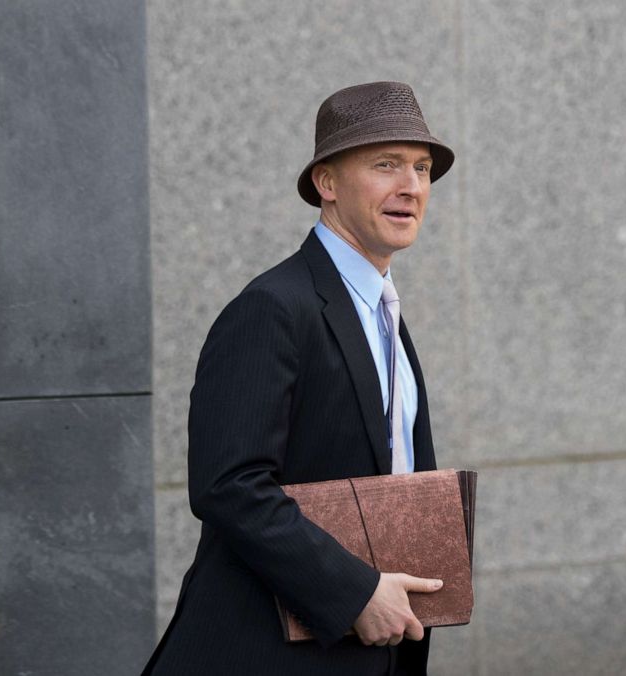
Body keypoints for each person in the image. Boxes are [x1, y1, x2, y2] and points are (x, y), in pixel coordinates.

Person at [143, 81, 455, 676]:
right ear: (327, 183)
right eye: (385, 164)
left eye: (421, 168)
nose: (411, 186)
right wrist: (355, 592)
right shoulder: (272, 308)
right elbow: (228, 485)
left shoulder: (385, 312)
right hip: (263, 654)